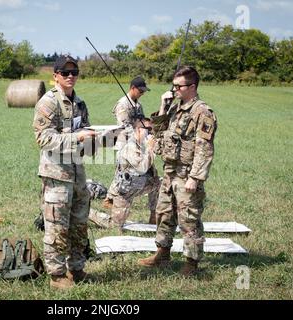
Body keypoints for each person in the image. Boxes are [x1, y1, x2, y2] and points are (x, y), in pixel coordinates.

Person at [137, 66, 217, 277]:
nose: (174, 90)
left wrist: (195, 178)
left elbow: (204, 148)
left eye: (178, 86)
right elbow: (159, 132)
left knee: (189, 219)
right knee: (164, 214)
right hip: (170, 171)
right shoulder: (174, 107)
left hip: (186, 174)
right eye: (173, 86)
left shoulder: (202, 112)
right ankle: (162, 253)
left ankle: (192, 262)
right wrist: (163, 106)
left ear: (192, 86)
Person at [32, 54, 98, 289]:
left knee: (79, 224)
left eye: (74, 73)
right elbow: (43, 138)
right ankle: (57, 275)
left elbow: (86, 134)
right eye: (65, 73)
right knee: (57, 225)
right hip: (56, 174)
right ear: (55, 76)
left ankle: (77, 269)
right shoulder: (48, 103)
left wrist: (102, 139)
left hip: (78, 173)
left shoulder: (80, 103)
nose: (70, 76)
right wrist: (76, 137)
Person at [89, 118, 160, 229]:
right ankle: (88, 212)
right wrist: (150, 149)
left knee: (159, 184)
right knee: (114, 226)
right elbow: (142, 168)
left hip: (139, 186)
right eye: (148, 129)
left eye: (151, 130)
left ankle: (154, 216)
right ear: (138, 130)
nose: (151, 133)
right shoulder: (130, 147)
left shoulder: (142, 145)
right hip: (124, 192)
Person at [103, 76, 155, 223]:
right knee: (122, 173)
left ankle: (111, 198)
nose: (142, 93)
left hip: (138, 142)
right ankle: (111, 198)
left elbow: (141, 121)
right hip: (125, 143)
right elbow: (123, 126)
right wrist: (139, 135)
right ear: (132, 88)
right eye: (140, 90)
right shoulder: (123, 104)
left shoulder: (138, 105)